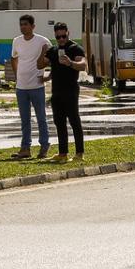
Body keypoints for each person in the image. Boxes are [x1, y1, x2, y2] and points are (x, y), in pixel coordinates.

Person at [9, 14, 52, 159]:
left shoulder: (42, 41)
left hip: (37, 86)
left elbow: (53, 60)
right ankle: (25, 148)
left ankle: (44, 146)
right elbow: (14, 58)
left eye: (26, 24)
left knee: (41, 118)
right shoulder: (17, 41)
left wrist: (47, 77)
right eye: (21, 24)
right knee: (24, 119)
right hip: (21, 87)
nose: (23, 27)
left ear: (33, 26)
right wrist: (17, 76)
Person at [47, 21, 86, 163]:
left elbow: (83, 65)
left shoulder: (75, 48)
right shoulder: (53, 50)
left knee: (74, 120)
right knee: (59, 122)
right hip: (56, 90)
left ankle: (79, 153)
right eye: (58, 37)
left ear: (68, 33)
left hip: (70, 90)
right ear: (55, 36)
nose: (61, 39)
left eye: (64, 36)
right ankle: (62, 153)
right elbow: (42, 63)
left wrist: (70, 63)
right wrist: (42, 52)